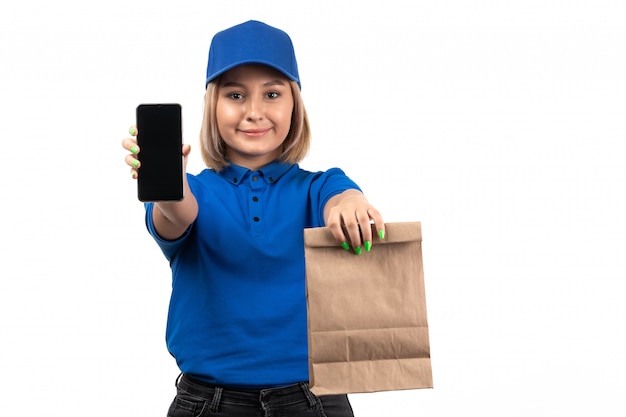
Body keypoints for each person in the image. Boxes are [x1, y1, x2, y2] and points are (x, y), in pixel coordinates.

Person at [122, 20, 385, 417]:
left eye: (272, 94)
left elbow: (341, 198)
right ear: (214, 105)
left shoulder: (319, 186)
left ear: (294, 104)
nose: (254, 111)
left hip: (313, 400)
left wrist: (349, 204)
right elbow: (176, 214)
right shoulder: (196, 192)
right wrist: (170, 183)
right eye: (236, 95)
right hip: (208, 403)